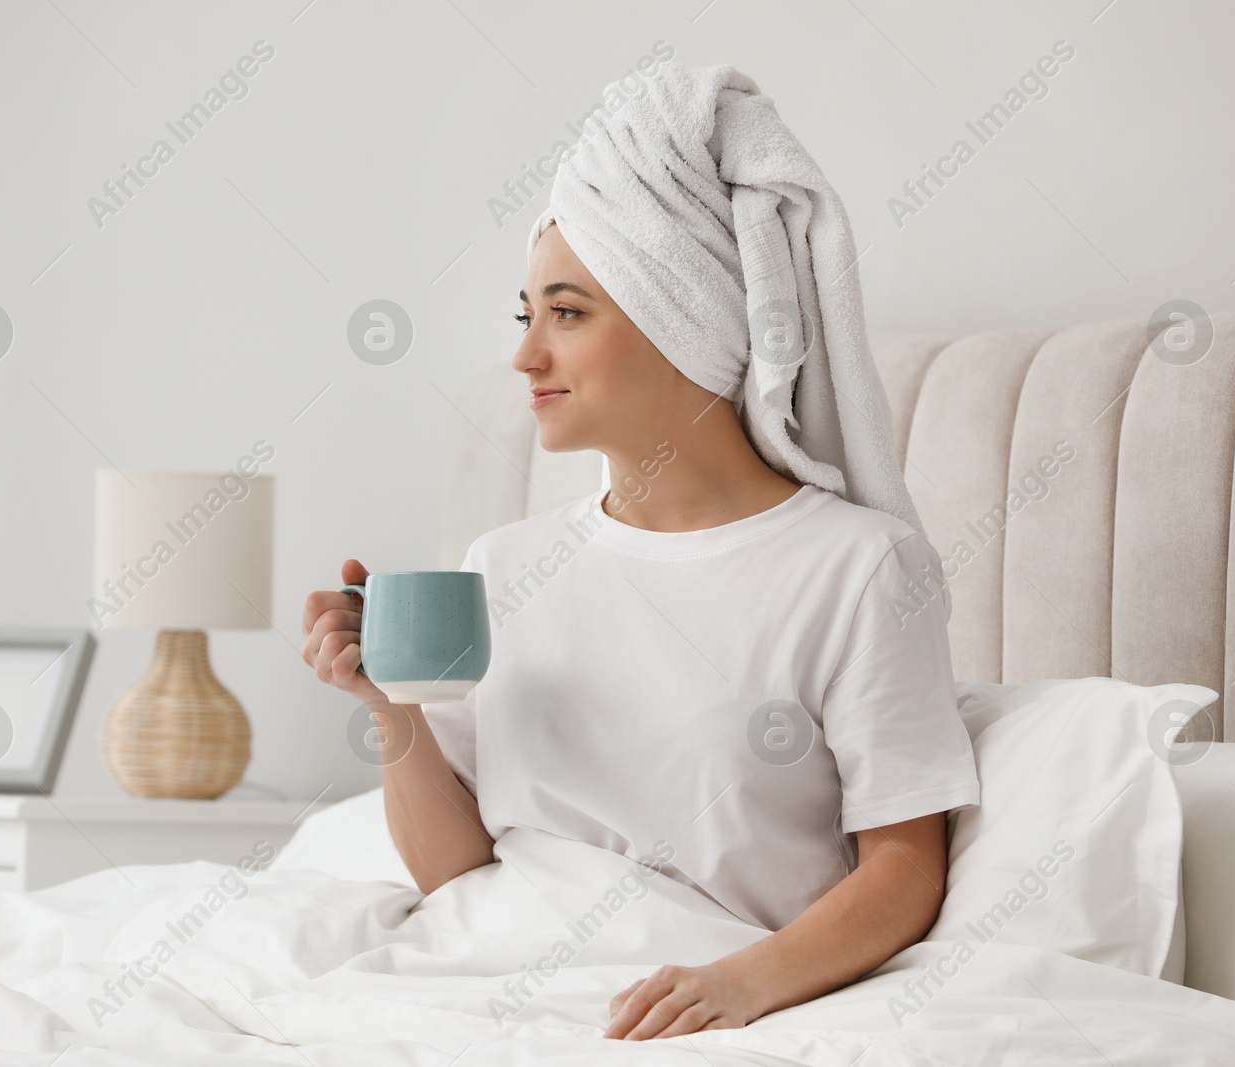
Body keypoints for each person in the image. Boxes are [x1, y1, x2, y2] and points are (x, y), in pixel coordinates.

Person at [301, 61, 979, 1041]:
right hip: (471, 982)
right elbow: (456, 873)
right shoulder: (504, 563)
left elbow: (906, 866)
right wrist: (388, 706)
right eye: (525, 315)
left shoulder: (858, 569)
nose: (525, 356)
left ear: (686, 321)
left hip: (681, 1003)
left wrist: (744, 982)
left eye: (567, 314)